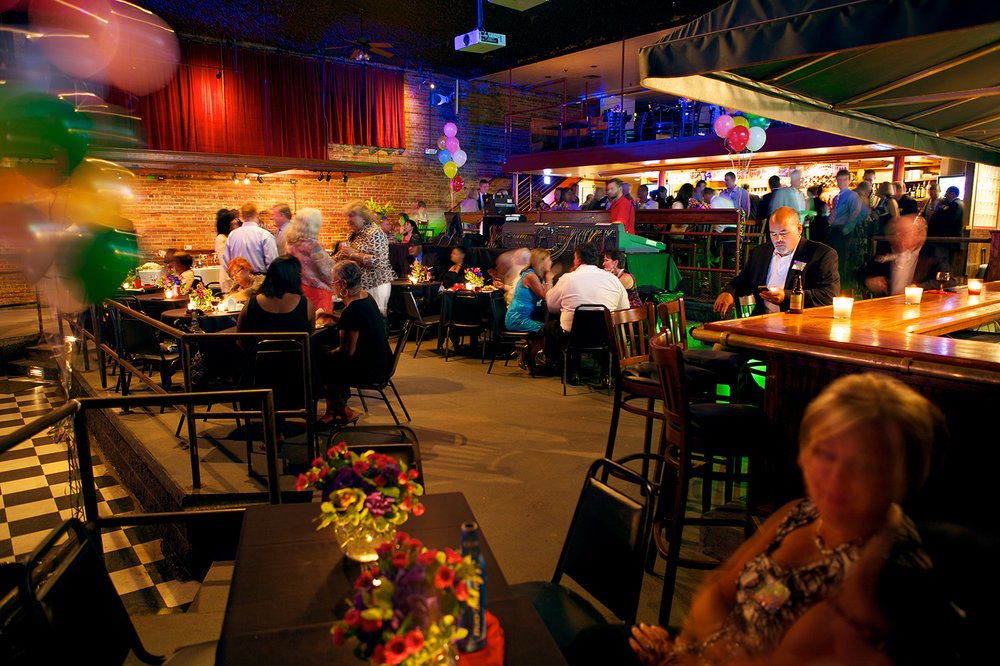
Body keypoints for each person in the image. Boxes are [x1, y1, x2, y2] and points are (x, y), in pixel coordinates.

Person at [613, 372, 945, 666]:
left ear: (904, 478)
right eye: (824, 453)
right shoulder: (802, 513)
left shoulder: (883, 578)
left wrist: (691, 656)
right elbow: (720, 592)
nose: (835, 479)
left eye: (864, 467)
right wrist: (683, 648)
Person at [714, 207, 839, 317]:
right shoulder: (761, 253)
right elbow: (743, 280)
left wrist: (787, 297)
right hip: (762, 321)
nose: (778, 239)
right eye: (773, 234)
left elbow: (828, 296)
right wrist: (728, 292)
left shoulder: (820, 255)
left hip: (799, 323)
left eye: (783, 233)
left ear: (799, 228)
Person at [314, 260, 391, 426]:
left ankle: (341, 411)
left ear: (342, 284)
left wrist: (325, 354)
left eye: (333, 282)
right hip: (382, 360)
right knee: (327, 360)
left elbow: (346, 352)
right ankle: (337, 410)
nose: (332, 286)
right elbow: (358, 324)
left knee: (319, 365)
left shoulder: (353, 310)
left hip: (370, 370)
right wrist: (334, 317)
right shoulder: (365, 297)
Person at [543, 242, 629, 367]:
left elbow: (551, 305)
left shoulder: (567, 278)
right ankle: (605, 369)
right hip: (605, 335)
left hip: (572, 336)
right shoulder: (613, 280)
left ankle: (564, 367)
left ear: (578, 259)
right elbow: (624, 309)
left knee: (549, 327)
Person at [859, 214, 953, 296]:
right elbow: (862, 274)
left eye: (903, 233)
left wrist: (917, 288)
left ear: (919, 235)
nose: (897, 237)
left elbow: (949, 281)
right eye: (894, 233)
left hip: (920, 306)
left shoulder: (933, 253)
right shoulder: (885, 251)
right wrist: (869, 281)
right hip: (886, 307)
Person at [334, 201, 395, 316]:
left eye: (351, 216)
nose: (347, 220)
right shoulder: (354, 234)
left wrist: (353, 254)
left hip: (375, 285)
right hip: (361, 285)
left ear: (363, 217)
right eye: (347, 216)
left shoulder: (375, 233)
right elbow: (341, 255)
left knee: (373, 318)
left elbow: (379, 262)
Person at [236, 255, 315, 340]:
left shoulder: (252, 303)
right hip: (295, 349)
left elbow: (240, 339)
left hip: (260, 349)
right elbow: (310, 337)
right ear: (295, 277)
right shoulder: (306, 305)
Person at [506, 249, 553, 370]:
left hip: (523, 316)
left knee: (549, 329)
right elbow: (546, 296)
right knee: (549, 331)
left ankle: (527, 353)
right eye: (549, 260)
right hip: (517, 318)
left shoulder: (533, 275)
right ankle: (528, 355)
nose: (551, 262)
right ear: (541, 262)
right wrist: (549, 279)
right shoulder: (530, 276)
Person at [827, 170, 869, 295]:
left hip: (842, 231)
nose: (841, 182)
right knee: (835, 260)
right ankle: (837, 287)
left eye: (844, 180)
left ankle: (842, 288)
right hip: (835, 230)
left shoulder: (852, 196)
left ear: (849, 181)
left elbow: (855, 214)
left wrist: (846, 230)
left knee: (842, 260)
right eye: (839, 180)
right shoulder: (837, 197)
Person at [285, 207, 334, 312]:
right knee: (320, 320)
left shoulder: (290, 243)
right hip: (317, 291)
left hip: (298, 288)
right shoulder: (313, 245)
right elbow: (327, 271)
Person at [222, 203, 279, 274]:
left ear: (242, 217)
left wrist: (234, 276)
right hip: (260, 278)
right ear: (257, 215)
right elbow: (273, 263)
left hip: (238, 277)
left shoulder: (232, 235)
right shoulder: (265, 235)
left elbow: (226, 262)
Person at [926, 185, 963, 251]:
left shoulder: (954, 204)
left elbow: (948, 222)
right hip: (948, 241)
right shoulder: (957, 203)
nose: (945, 195)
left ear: (952, 194)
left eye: (947, 193)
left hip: (948, 240)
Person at [215, 209, 238, 292]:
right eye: (232, 223)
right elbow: (224, 259)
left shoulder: (231, 236)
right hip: (228, 275)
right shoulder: (221, 238)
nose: (235, 223)